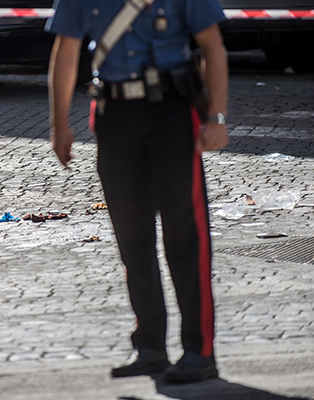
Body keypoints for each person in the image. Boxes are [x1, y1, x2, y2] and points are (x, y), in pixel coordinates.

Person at [46, 0, 229, 383]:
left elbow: (212, 46)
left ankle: (199, 351)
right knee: (132, 237)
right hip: (115, 116)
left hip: (171, 113)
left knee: (184, 234)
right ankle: (149, 346)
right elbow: (66, 50)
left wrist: (216, 117)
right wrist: (59, 124)